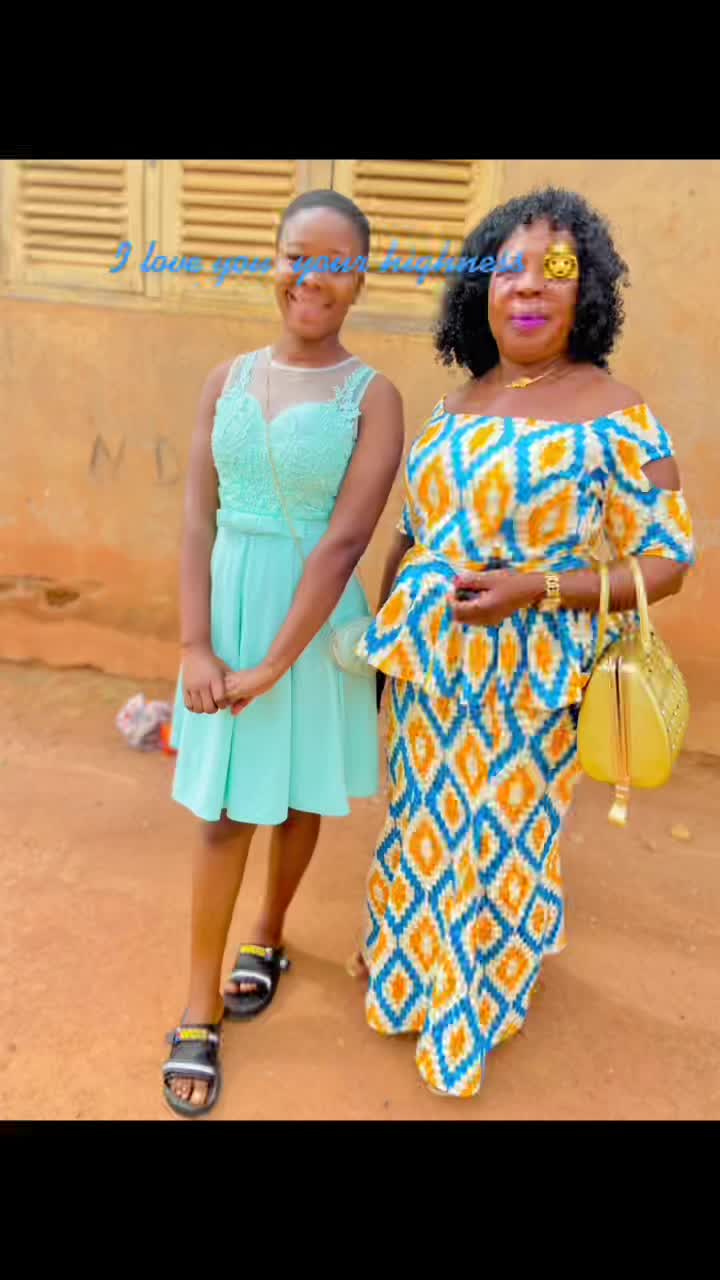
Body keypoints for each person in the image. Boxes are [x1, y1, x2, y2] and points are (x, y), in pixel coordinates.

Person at [357, 187, 695, 1099]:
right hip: (431, 673)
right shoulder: (458, 402)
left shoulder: (619, 414)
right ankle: (408, 979)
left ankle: (471, 1011)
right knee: (421, 830)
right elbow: (411, 536)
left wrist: (536, 589)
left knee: (501, 847)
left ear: (589, 292)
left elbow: (667, 561)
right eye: (510, 268)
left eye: (557, 269)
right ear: (483, 289)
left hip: (530, 683)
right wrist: (381, 654)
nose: (530, 287)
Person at [162, 190, 404, 1117]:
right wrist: (196, 643)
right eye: (298, 254)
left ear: (360, 279)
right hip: (228, 615)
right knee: (224, 812)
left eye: (336, 262)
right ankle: (198, 1007)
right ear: (274, 260)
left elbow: (345, 542)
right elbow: (198, 515)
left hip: (312, 619)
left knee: (299, 792)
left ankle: (268, 931)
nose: (313, 276)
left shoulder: (373, 396)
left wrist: (270, 666)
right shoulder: (224, 378)